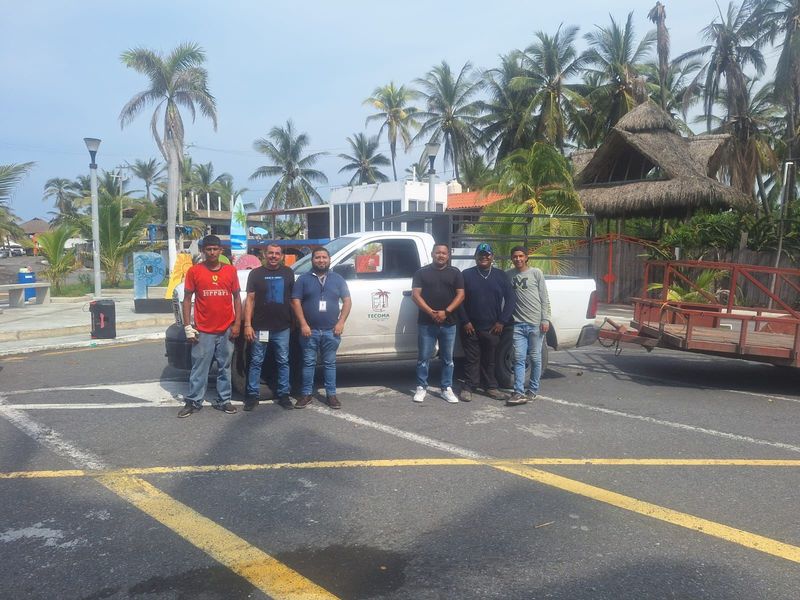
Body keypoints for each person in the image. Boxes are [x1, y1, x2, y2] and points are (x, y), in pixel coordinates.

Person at [178, 234, 242, 418]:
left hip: (226, 329)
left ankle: (224, 400)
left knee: (225, 366)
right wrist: (187, 327)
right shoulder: (194, 272)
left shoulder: (230, 271)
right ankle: (194, 401)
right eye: (208, 249)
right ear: (203, 251)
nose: (212, 252)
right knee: (199, 367)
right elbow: (187, 299)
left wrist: (237, 323)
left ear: (221, 251)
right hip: (203, 330)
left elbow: (237, 297)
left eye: (215, 249)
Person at [290, 248, 352, 409]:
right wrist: (303, 324)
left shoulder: (337, 279)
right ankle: (306, 395)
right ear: (312, 260)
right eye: (317, 257)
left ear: (329, 260)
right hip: (309, 331)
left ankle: (331, 395)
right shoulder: (303, 279)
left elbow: (347, 301)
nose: (321, 260)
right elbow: (295, 302)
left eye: (324, 257)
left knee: (330, 364)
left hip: (332, 330)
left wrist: (341, 322)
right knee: (308, 363)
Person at [457, 243, 515, 401]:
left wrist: (502, 321)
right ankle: (469, 386)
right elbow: (459, 301)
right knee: (471, 359)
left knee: (490, 359)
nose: (484, 257)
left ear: (492, 257)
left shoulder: (500, 275)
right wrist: (465, 321)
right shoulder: (466, 275)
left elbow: (510, 299)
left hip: (493, 327)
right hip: (470, 327)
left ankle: (491, 387)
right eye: (481, 255)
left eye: (487, 255)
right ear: (475, 257)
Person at [243, 243, 295, 411]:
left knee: (283, 361)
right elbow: (250, 300)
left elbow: (293, 300)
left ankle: (283, 394)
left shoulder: (288, 273)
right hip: (260, 327)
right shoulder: (256, 274)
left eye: (277, 253)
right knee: (256, 361)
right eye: (270, 253)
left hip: (282, 327)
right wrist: (247, 325)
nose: (273, 256)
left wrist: (295, 322)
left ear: (281, 255)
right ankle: (252, 395)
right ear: (264, 254)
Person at [411, 243, 465, 404]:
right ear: (432, 254)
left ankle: (446, 388)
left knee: (448, 358)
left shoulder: (455, 273)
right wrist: (431, 312)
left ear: (448, 255)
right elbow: (415, 295)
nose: (440, 255)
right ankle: (421, 387)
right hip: (427, 322)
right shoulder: (422, 272)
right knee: (423, 357)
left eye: (444, 253)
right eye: (437, 253)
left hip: (449, 322)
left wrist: (445, 312)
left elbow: (461, 295)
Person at [506, 245, 551, 406]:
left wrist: (545, 320)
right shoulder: (509, 275)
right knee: (518, 358)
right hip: (518, 324)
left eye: (521, 256)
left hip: (535, 324)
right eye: (515, 256)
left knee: (535, 358)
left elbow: (544, 298)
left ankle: (532, 390)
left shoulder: (536, 273)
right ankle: (518, 392)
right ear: (512, 259)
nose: (518, 259)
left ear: (526, 257)